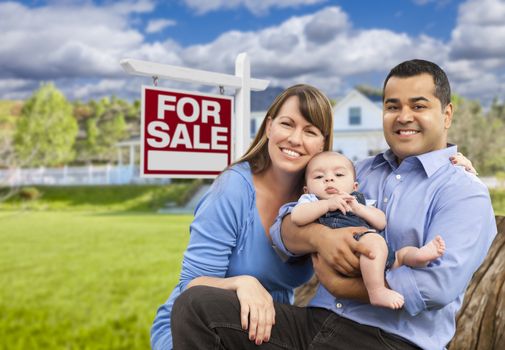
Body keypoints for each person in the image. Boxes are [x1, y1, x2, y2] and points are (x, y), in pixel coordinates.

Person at [171, 59, 496, 350]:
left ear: (447, 114)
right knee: (198, 306)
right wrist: (319, 238)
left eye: (419, 105)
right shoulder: (357, 171)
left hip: (388, 340)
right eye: (392, 106)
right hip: (314, 323)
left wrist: (343, 285)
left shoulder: (463, 191)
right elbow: (283, 232)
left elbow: (435, 288)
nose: (403, 117)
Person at [150, 84, 343, 350]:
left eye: (310, 131)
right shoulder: (234, 187)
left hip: (267, 327)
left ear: (323, 142)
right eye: (287, 124)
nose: (295, 139)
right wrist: (242, 283)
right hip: (199, 326)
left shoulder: (318, 200)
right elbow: (191, 284)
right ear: (269, 127)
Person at [291, 151, 446, 310]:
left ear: (354, 186)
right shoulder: (311, 201)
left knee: (401, 255)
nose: (329, 179)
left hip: (374, 254)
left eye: (338, 174)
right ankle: (376, 290)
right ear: (307, 190)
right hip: (352, 250)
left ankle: (419, 256)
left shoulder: (357, 200)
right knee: (374, 242)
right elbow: (297, 217)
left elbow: (381, 221)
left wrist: (359, 209)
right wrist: (327, 205)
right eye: (318, 177)